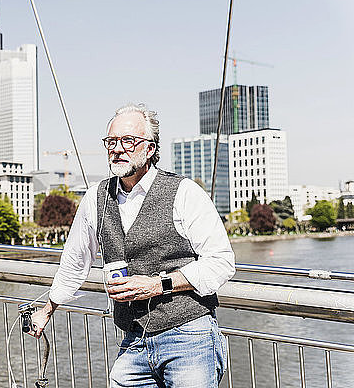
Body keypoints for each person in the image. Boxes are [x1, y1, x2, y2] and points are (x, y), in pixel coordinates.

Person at [29, 103, 235, 387]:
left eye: (128, 141)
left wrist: (156, 285)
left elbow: (221, 262)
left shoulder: (185, 193)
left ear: (150, 149)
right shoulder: (95, 198)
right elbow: (75, 261)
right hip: (134, 340)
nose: (117, 148)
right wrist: (48, 309)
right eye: (111, 142)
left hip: (189, 335)